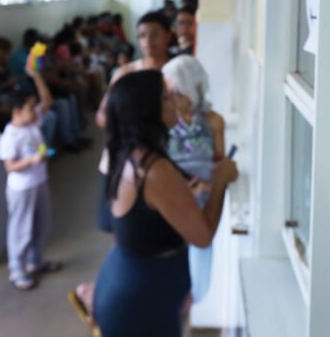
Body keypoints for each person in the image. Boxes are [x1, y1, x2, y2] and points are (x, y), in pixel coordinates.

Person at [91, 70, 237, 337]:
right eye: (166, 96)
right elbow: (203, 236)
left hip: (133, 286)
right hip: (140, 302)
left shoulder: (131, 153)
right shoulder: (154, 169)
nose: (174, 101)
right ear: (148, 108)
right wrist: (220, 181)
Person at [68, 10, 174, 326]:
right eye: (142, 35)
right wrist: (132, 123)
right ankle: (99, 296)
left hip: (164, 167)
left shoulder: (176, 71)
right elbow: (103, 115)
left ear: (167, 36)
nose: (147, 41)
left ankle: (120, 297)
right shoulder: (127, 73)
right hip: (123, 166)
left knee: (157, 240)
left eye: (154, 34)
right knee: (124, 239)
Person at [162, 55, 225, 304]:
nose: (172, 99)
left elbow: (221, 165)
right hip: (172, 201)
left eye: (178, 93)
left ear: (196, 88)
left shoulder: (213, 121)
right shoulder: (164, 122)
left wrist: (209, 186)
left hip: (204, 203)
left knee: (199, 273)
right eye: (168, 94)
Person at [0, 61, 62, 290]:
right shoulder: (10, 136)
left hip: (39, 182)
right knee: (21, 227)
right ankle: (16, 268)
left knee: (41, 223)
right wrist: (31, 161)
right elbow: (10, 166)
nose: (36, 111)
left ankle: (35, 261)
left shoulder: (32, 123)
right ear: (17, 112)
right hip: (22, 187)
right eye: (30, 108)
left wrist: (36, 76)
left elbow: (47, 101)